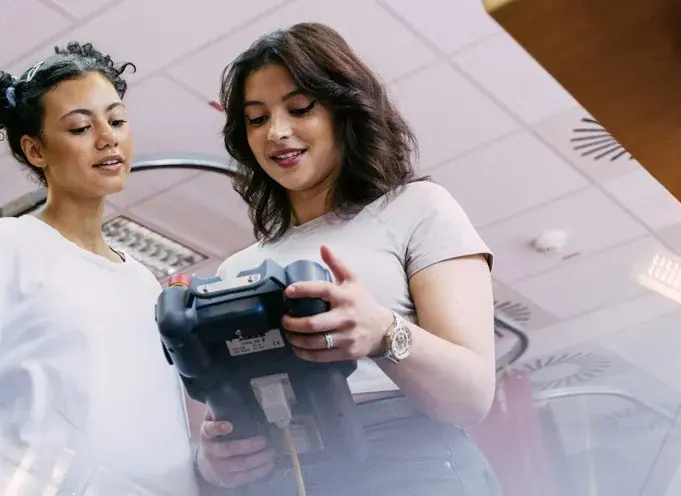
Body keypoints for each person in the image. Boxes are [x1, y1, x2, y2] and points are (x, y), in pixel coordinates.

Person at [0, 42, 203, 495]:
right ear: (35, 150)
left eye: (117, 120)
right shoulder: (4, 246)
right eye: (81, 127)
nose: (108, 137)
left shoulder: (145, 284)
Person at [198, 23, 502, 496]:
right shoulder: (234, 273)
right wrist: (216, 461)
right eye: (257, 119)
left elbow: (471, 397)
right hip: (285, 476)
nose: (277, 132)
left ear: (345, 111)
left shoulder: (418, 208)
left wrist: (384, 334)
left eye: (300, 108)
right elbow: (226, 413)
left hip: (412, 467)